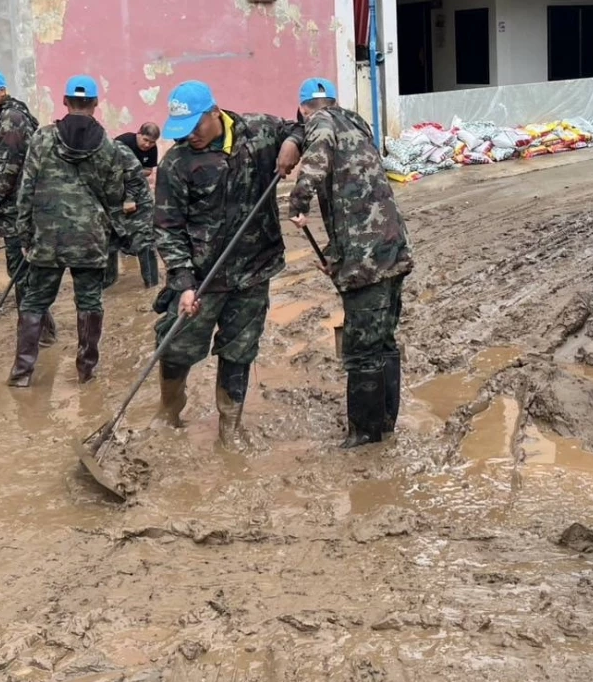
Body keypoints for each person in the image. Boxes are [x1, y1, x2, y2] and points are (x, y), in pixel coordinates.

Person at [152, 81, 302, 446]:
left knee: (240, 350)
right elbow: (168, 228)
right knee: (176, 346)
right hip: (203, 278)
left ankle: (230, 427)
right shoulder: (176, 163)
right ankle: (170, 411)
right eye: (182, 130)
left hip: (254, 269)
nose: (190, 136)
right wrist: (184, 282)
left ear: (215, 112)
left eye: (195, 127)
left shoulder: (259, 132)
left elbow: (303, 127)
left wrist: (293, 143)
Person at [287, 78, 412, 447]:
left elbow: (317, 160)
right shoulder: (357, 123)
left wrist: (298, 201)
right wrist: (334, 255)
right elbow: (354, 196)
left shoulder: (320, 123)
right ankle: (385, 423)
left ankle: (365, 435)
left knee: (361, 352)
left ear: (304, 109)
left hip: (366, 259)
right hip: (392, 246)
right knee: (384, 340)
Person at [11, 75, 127, 387]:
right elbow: (115, 197)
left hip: (47, 237)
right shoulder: (108, 146)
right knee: (89, 303)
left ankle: (22, 373)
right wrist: (112, 236)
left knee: (35, 302)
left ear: (64, 101)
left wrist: (25, 234)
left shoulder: (43, 138)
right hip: (89, 238)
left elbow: (26, 189)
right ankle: (86, 371)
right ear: (95, 103)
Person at [0, 70, 54, 346]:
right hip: (22, 207)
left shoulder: (11, 119)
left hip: (19, 211)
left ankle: (34, 335)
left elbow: (8, 171)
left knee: (22, 274)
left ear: (2, 91)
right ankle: (43, 332)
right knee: (25, 273)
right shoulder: (8, 116)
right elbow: (11, 153)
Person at [115, 123, 161, 289]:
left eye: (152, 142)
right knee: (112, 239)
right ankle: (110, 283)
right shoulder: (122, 142)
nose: (147, 145)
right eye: (146, 140)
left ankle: (152, 283)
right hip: (117, 194)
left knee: (145, 240)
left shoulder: (152, 149)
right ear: (139, 134)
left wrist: (130, 172)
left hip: (141, 197)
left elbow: (147, 171)